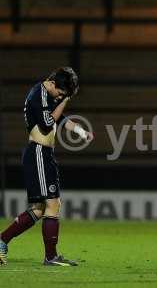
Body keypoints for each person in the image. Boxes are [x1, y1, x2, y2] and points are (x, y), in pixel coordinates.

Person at [0, 67, 94, 266]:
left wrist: (79, 130)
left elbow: (59, 119)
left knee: (39, 208)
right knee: (53, 204)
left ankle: (2, 241)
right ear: (52, 83)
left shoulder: (47, 95)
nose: (61, 97)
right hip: (38, 153)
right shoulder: (39, 95)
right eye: (61, 93)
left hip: (43, 154)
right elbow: (47, 122)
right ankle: (50, 257)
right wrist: (65, 101)